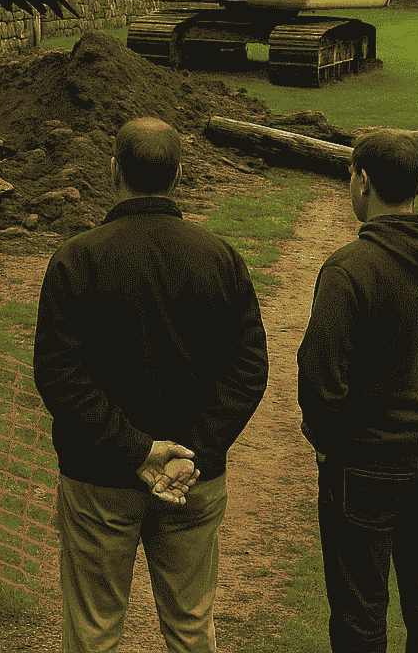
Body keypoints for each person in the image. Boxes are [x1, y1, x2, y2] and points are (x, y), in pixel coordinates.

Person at [34, 116, 269, 653]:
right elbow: (249, 368)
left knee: (93, 632)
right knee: (191, 627)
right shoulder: (220, 258)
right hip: (193, 478)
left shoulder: (77, 259)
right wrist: (195, 451)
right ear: (179, 175)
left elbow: (59, 374)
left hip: (99, 479)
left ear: (112, 169)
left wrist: (135, 450)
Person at [297, 128, 418, 653]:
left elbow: (320, 379)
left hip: (363, 465)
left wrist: (329, 443)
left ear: (362, 181)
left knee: (359, 610)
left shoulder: (349, 268)